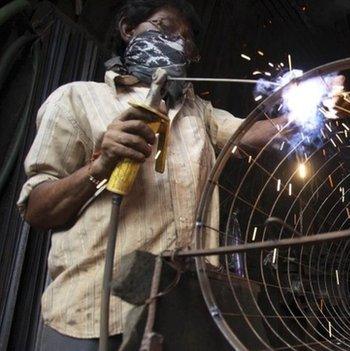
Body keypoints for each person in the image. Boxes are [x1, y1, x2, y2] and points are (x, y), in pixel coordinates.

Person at [17, 1, 290, 349]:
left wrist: (311, 105)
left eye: (185, 39)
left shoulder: (198, 114)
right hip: (95, 316)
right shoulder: (76, 100)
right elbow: (37, 209)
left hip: (180, 319)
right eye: (163, 27)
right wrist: (99, 166)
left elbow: (250, 135)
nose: (176, 42)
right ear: (129, 30)